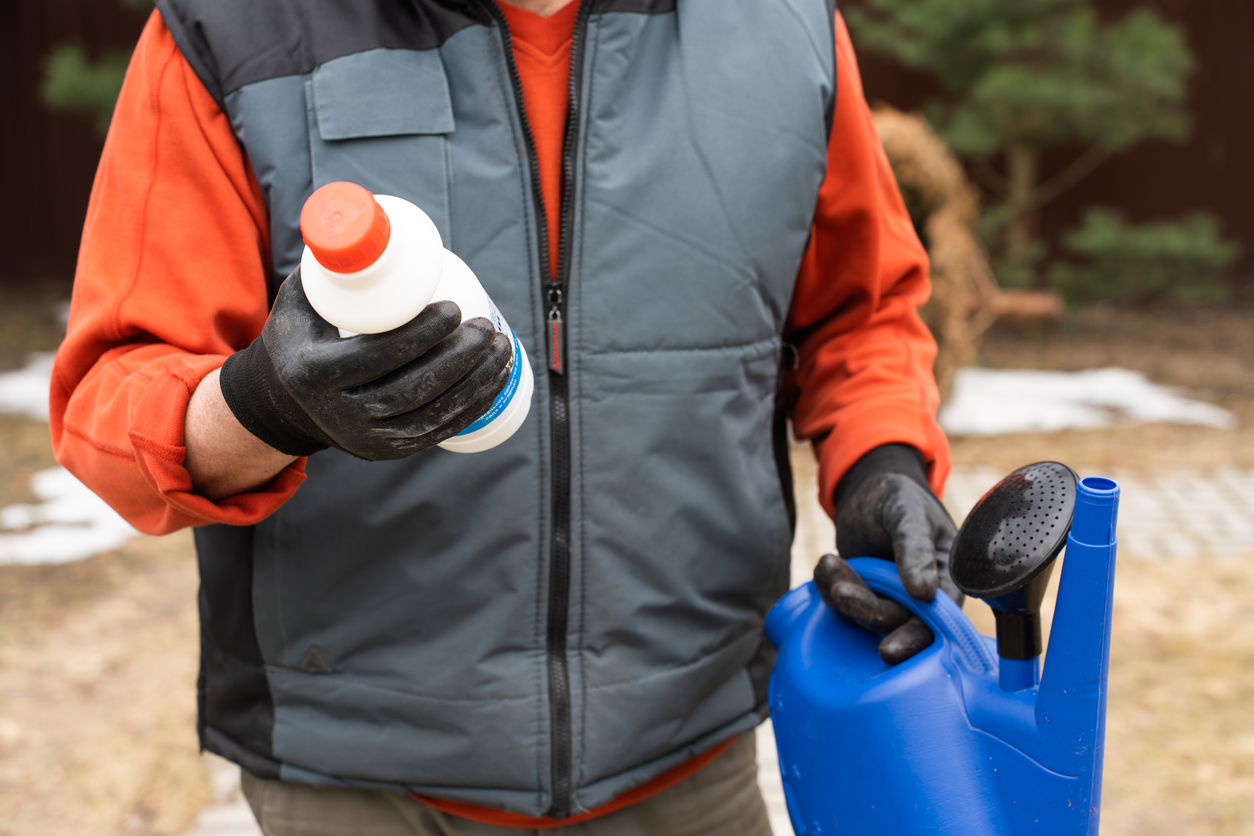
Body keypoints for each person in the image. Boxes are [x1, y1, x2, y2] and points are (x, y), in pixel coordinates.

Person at [50, 0, 960, 833]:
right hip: (358, 782)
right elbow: (114, 394)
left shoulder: (780, 22)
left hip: (693, 757)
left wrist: (885, 466)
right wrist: (266, 405)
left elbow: (861, 314)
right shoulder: (239, 26)